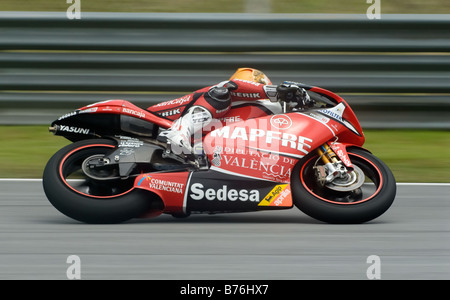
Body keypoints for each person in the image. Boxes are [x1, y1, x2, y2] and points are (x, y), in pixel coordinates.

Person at [156, 68, 314, 154]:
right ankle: (178, 132)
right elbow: (232, 85)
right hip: (162, 121)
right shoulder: (227, 90)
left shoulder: (266, 113)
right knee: (221, 94)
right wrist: (276, 92)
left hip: (201, 149)